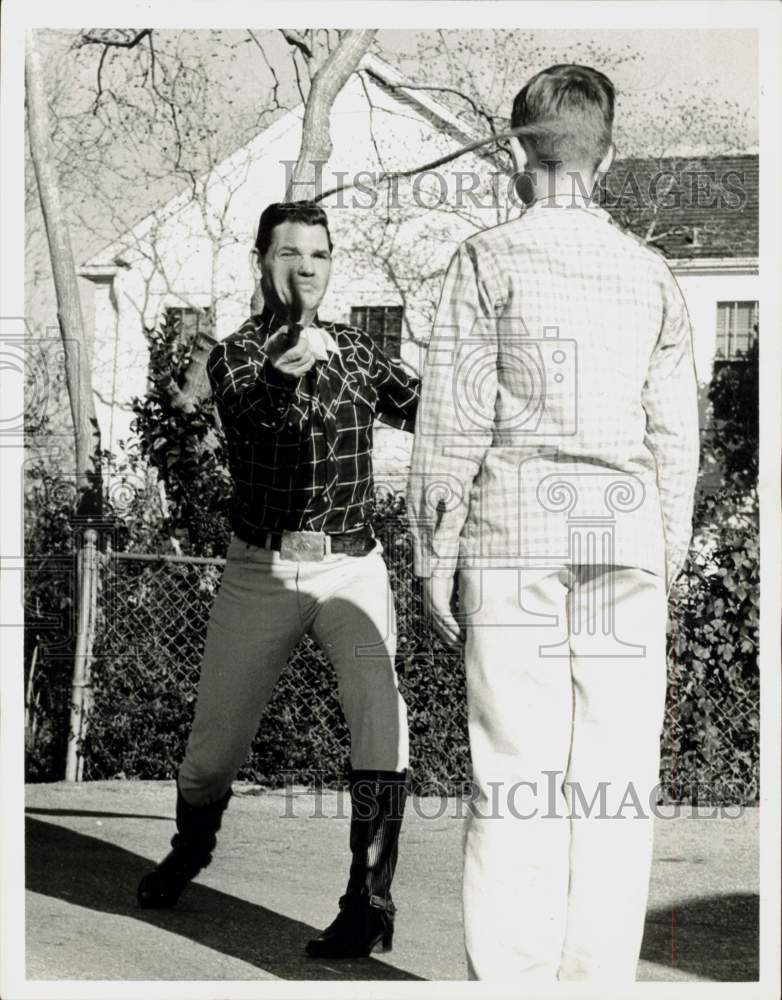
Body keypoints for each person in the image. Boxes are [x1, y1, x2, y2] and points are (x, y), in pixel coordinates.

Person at [407, 65, 699, 981]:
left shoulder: (485, 261)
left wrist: (431, 552)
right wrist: (668, 554)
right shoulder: (651, 274)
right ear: (606, 157)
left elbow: (453, 421)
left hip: (513, 536)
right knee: (614, 789)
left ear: (511, 153)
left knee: (514, 779)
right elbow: (673, 436)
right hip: (620, 539)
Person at [137, 200, 420, 960]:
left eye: (319, 255)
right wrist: (284, 371)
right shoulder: (237, 357)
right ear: (262, 260)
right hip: (260, 568)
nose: (305, 267)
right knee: (212, 750)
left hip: (350, 564)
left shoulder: (361, 352)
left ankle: (368, 904)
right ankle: (190, 849)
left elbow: (430, 410)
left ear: (331, 265)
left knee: (379, 713)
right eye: (289, 252)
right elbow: (260, 422)